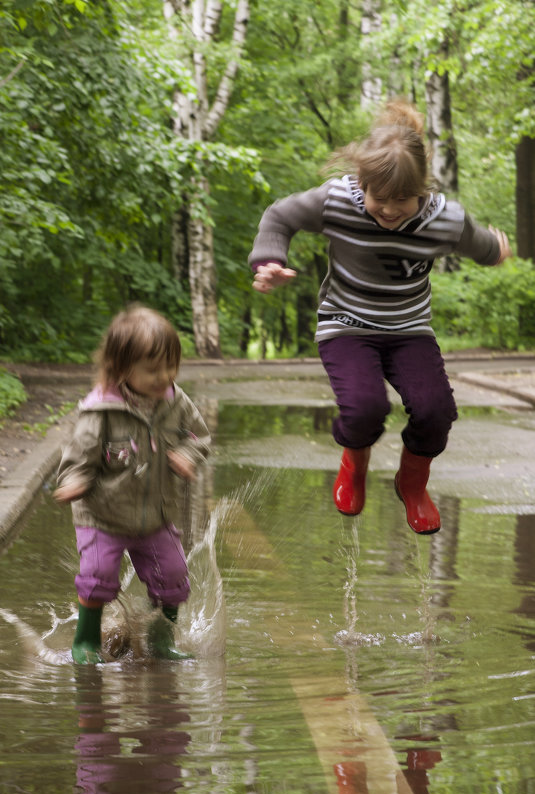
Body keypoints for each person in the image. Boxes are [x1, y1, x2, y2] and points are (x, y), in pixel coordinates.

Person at [249, 99, 512, 535]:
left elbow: (477, 243)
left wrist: (495, 251)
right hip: (346, 325)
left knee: (436, 410)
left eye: (403, 200)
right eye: (379, 198)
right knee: (366, 409)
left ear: (422, 190)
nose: (389, 210)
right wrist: (269, 260)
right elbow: (278, 217)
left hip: (409, 330)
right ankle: (354, 465)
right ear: (361, 183)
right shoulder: (336, 200)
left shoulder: (444, 219)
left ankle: (413, 482)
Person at [54, 305, 211, 664]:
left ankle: (160, 639)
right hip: (103, 516)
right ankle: (86, 639)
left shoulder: (175, 403)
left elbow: (199, 437)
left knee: (173, 576)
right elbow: (79, 455)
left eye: (171, 366)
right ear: (122, 368)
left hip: (156, 515)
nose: (164, 377)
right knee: (97, 576)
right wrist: (75, 481)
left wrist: (188, 454)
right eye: (153, 369)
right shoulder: (101, 412)